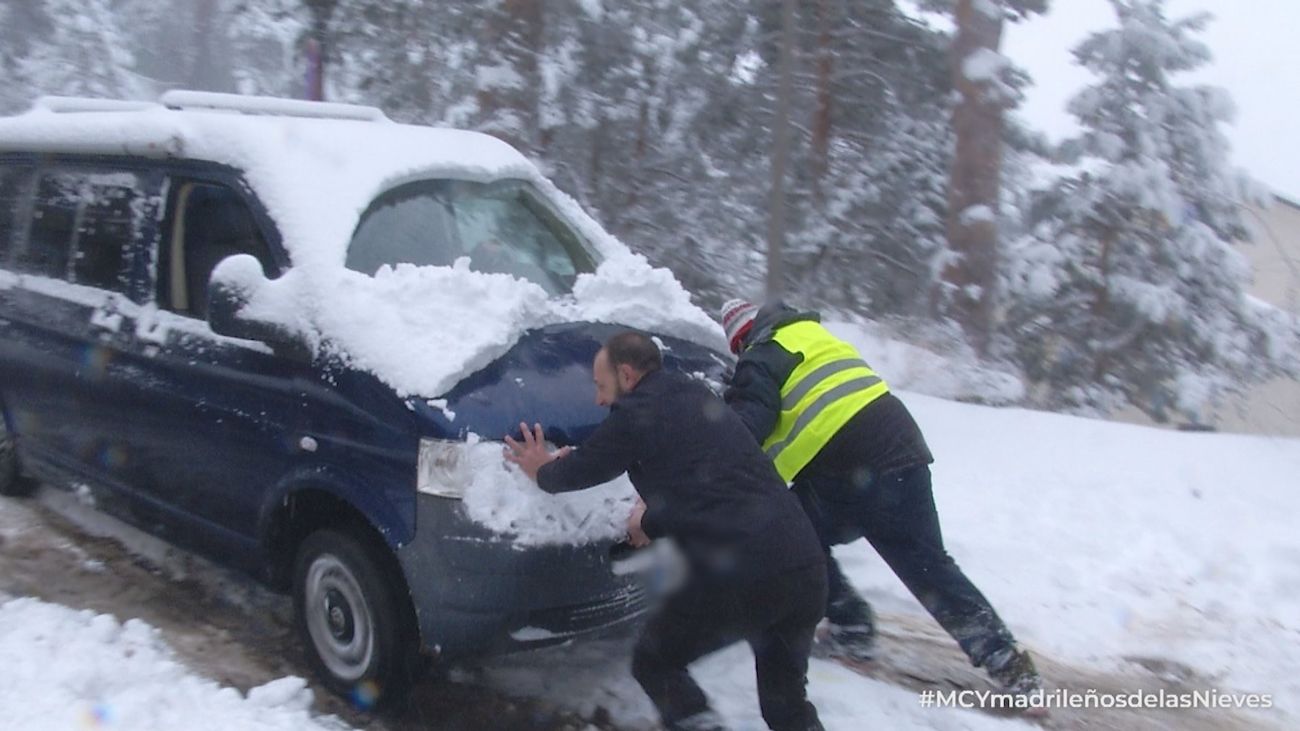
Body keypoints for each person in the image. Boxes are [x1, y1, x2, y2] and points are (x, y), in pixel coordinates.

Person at [504, 331, 828, 731]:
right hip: (804, 565)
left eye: (601, 386)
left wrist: (542, 469)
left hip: (742, 572)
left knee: (656, 663)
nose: (599, 400)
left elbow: (574, 473)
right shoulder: (695, 396)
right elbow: (707, 486)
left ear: (626, 375)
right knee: (786, 708)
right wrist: (650, 522)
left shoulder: (638, 411)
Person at [718, 299, 1042, 695]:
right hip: (902, 451)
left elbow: (747, 426)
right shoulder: (813, 336)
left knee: (792, 539)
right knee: (928, 564)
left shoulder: (761, 355)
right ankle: (1008, 663)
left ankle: (853, 628)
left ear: (742, 341)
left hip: (846, 469)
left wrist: (716, 426)